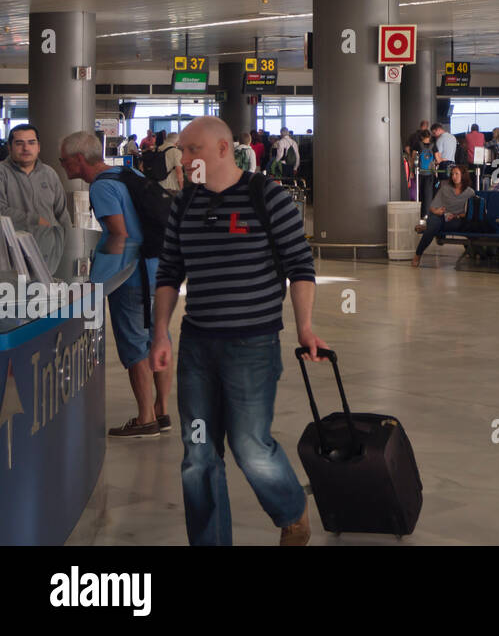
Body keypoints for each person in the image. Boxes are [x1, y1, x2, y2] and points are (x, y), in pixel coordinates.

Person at [148, 117, 327, 547]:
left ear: (224, 149)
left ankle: (291, 509)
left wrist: (305, 326)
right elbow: (170, 272)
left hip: (252, 347)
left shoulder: (267, 197)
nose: (184, 159)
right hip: (197, 349)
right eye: (182, 150)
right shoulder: (184, 205)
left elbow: (301, 267)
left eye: (193, 150)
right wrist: (160, 334)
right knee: (198, 454)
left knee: (250, 446)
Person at [59, 131, 174, 439]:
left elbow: (118, 235)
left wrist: (96, 283)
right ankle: (162, 411)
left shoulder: (102, 188)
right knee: (158, 337)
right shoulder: (128, 173)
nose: (61, 165)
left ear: (80, 160)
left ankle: (145, 418)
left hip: (131, 276)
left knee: (135, 344)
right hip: (158, 268)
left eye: (64, 160)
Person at [0, 125, 71, 231]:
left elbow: (62, 214)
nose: (26, 148)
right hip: (12, 244)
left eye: (31, 143)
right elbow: (1, 210)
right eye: (19, 143)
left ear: (38, 147)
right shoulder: (2, 172)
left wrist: (69, 238)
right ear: (9, 147)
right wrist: (35, 220)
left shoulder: (49, 173)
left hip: (49, 243)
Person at [412, 164, 474, 266]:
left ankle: (428, 227)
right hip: (439, 215)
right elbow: (432, 207)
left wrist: (456, 216)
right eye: (452, 174)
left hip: (456, 219)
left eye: (457, 174)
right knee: (433, 227)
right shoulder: (445, 188)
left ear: (463, 175)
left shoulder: (470, 193)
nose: (454, 176)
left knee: (434, 227)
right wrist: (437, 212)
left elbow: (468, 213)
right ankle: (418, 255)